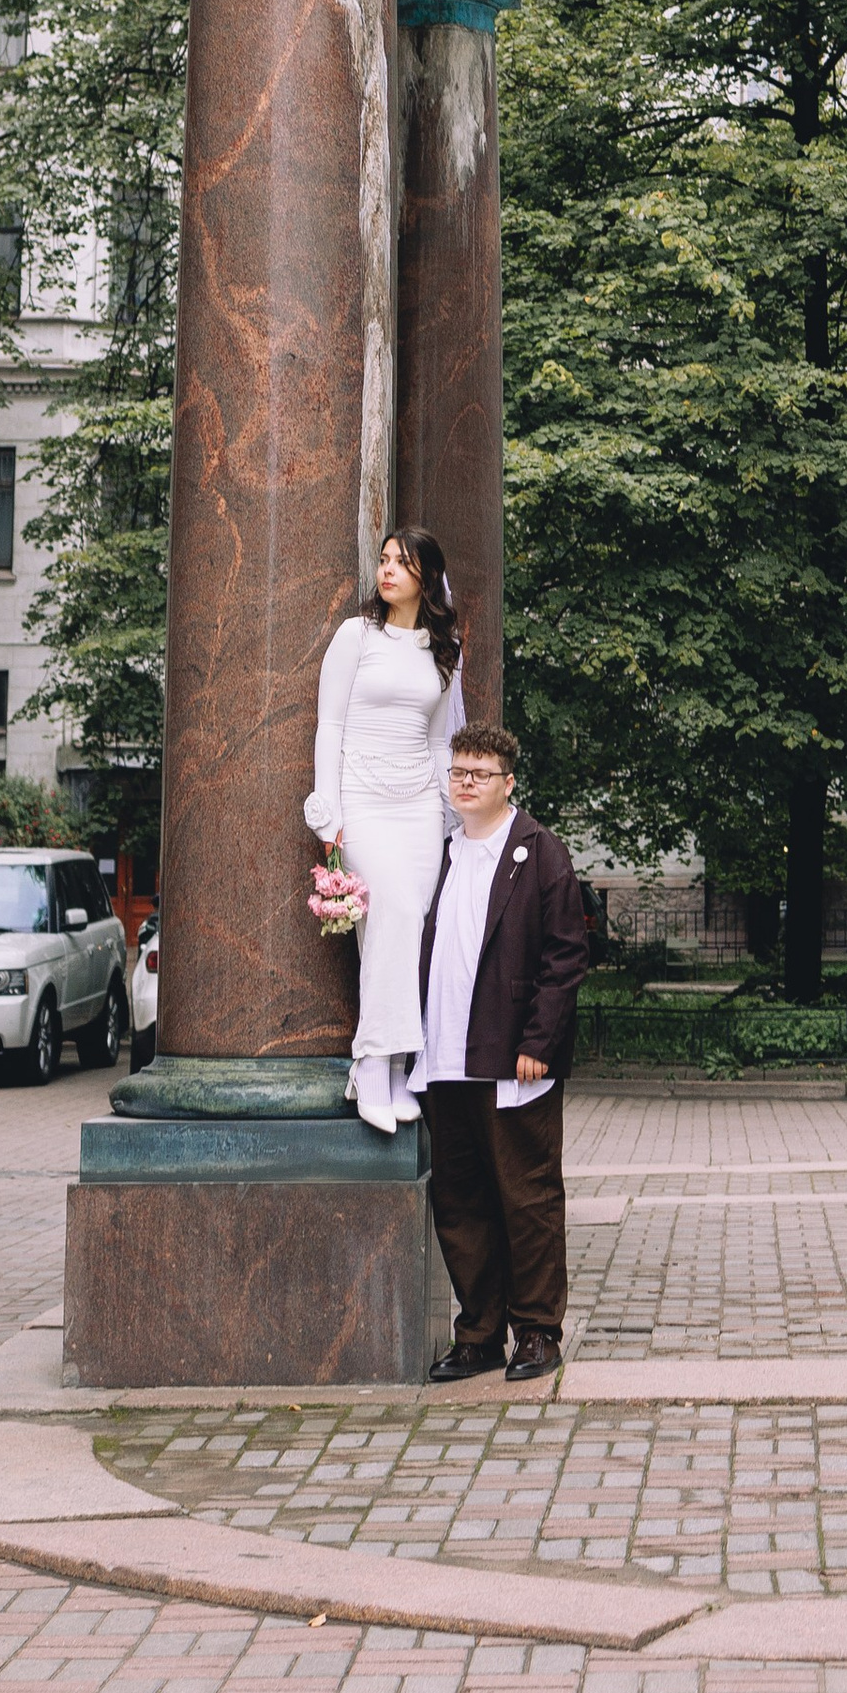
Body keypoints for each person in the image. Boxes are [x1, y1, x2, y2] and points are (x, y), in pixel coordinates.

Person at [416, 721, 590, 1383]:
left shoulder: (538, 852)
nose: (465, 783)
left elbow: (565, 955)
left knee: (527, 1200)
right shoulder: (439, 854)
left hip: (512, 1061)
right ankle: (480, 1335)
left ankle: (538, 1333)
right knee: (461, 1203)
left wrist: (539, 1043)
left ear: (507, 782)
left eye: (479, 773)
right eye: (457, 772)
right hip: (442, 1060)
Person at [305, 526, 467, 1132]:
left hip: (419, 805)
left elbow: (438, 741)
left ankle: (395, 1070)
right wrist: (331, 817)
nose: (388, 570)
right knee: (389, 913)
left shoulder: (443, 649)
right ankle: (372, 1064)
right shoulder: (357, 635)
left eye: (402, 562)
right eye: (383, 560)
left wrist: (453, 816)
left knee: (405, 924)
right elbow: (330, 727)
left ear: (427, 575)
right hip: (364, 802)